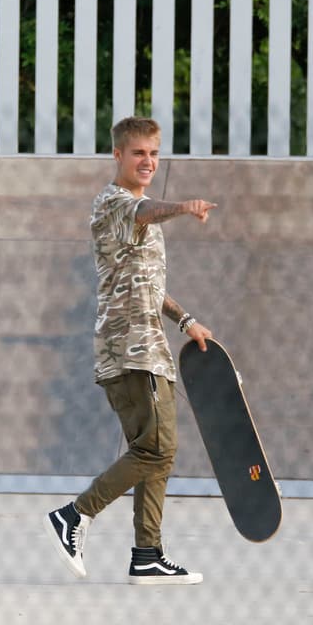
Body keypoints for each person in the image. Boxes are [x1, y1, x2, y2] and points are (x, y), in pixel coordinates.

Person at [45, 116, 217, 585]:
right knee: (157, 450)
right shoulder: (114, 203)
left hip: (149, 347)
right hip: (128, 349)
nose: (148, 162)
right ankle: (74, 515)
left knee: (155, 449)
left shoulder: (139, 214)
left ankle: (147, 554)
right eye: (139, 153)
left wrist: (185, 321)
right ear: (118, 154)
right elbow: (145, 213)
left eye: (155, 154)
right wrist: (183, 206)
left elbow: (148, 285)